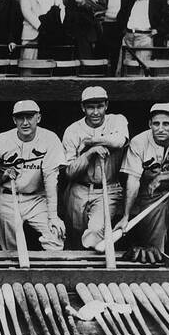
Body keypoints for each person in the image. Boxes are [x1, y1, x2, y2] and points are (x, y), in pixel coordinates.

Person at [115, 103, 169, 263]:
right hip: (151, 196)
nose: (160, 128)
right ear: (150, 124)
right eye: (156, 123)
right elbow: (133, 180)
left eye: (166, 123)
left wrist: (163, 177)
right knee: (155, 252)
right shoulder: (139, 142)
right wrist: (126, 216)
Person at [0, 100, 65, 251]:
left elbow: (51, 179)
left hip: (36, 199)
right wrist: (0, 175)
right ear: (14, 120)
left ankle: (46, 274)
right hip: (7, 198)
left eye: (29, 117)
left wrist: (53, 216)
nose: (25, 122)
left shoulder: (50, 139)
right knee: (9, 251)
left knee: (55, 236)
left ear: (38, 118)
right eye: (20, 118)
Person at [62, 86, 129, 249]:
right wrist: (89, 153)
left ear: (106, 105)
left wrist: (88, 142)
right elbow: (69, 173)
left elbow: (118, 141)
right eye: (90, 107)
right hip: (78, 189)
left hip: (108, 189)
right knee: (75, 236)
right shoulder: (72, 130)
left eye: (99, 106)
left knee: (96, 231)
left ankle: (94, 271)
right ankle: (78, 272)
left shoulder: (117, 119)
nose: (96, 112)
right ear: (83, 107)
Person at [118, 0, 169, 64]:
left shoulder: (157, 2)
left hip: (145, 38)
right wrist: (124, 30)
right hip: (128, 38)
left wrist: (159, 30)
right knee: (123, 66)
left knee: (141, 67)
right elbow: (120, 16)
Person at [97, 0, 134, 74]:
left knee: (116, 57)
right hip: (104, 27)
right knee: (102, 56)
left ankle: (114, 77)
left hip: (119, 28)